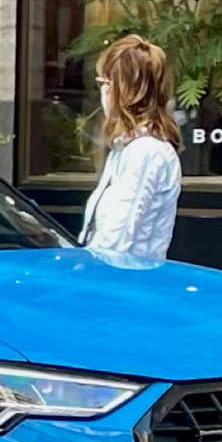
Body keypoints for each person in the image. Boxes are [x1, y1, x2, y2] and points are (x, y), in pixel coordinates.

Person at [79, 33, 182, 267]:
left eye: (105, 84)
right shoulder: (127, 148)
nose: (103, 93)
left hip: (123, 284)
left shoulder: (145, 152)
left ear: (125, 90)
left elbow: (116, 238)